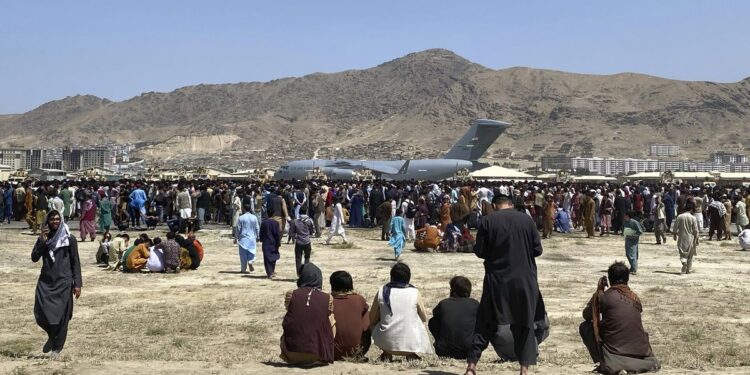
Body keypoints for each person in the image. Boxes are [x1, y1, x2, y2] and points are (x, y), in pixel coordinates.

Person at [465, 195, 545, 375]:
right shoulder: (526, 220)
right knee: (523, 324)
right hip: (524, 280)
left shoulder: (487, 221)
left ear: (494, 205)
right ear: (511, 204)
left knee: (485, 322)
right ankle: (524, 369)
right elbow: (537, 250)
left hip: (497, 280)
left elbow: (480, 251)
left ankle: (472, 366)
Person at [580, 262, 660, 375]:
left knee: (585, 326)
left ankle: (604, 362)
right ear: (627, 279)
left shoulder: (605, 296)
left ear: (610, 279)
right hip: (641, 350)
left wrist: (598, 292)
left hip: (615, 350)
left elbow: (587, 315)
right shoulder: (634, 297)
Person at [31, 210, 82, 358]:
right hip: (46, 281)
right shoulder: (44, 238)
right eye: (52, 219)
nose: (54, 221)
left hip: (64, 282)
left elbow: (75, 262)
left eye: (57, 219)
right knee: (40, 312)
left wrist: (77, 283)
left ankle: (57, 348)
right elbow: (34, 257)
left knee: (62, 316)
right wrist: (42, 241)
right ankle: (51, 335)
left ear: (61, 220)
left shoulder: (69, 239)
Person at [370, 263, 433, 361]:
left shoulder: (382, 291)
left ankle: (386, 353)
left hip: (385, 343)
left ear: (391, 276)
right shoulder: (414, 292)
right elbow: (424, 318)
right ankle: (411, 354)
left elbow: (372, 319)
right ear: (408, 277)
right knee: (418, 321)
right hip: (410, 345)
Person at [280, 263, 335, 365]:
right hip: (317, 354)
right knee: (330, 317)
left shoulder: (291, 294)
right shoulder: (327, 298)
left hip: (291, 352)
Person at [429, 276, 479, 359]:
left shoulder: (443, 303)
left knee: (433, 321)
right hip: (470, 350)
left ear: (453, 291)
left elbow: (434, 317)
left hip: (443, 350)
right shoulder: (475, 304)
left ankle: (441, 343)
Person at [330, 271, 371, 360]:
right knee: (366, 314)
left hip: (331, 352)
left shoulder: (328, 301)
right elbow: (366, 325)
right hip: (357, 352)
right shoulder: (359, 299)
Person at [673, 202, 700, 274]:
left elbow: (675, 227)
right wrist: (697, 238)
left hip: (681, 237)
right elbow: (695, 230)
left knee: (682, 253)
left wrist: (674, 235)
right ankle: (688, 269)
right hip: (690, 238)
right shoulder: (693, 218)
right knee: (690, 255)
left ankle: (683, 263)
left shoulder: (680, 216)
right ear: (691, 209)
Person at [288, 206, 314, 275]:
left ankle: (299, 274)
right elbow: (312, 231)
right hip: (307, 242)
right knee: (307, 258)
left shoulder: (295, 222)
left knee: (298, 258)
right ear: (306, 212)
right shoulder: (309, 221)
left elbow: (291, 233)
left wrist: (296, 236)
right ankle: (306, 273)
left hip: (299, 242)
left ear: (299, 212)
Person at [234, 202, 260, 273]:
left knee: (243, 255)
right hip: (252, 238)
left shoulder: (241, 218)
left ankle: (243, 269)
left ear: (244, 209)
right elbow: (257, 228)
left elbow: (238, 229)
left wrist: (235, 238)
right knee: (252, 252)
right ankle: (251, 261)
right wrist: (258, 236)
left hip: (243, 239)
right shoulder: (254, 217)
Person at [259, 207, 282, 278]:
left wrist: (261, 239)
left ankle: (269, 272)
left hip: (266, 242)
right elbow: (277, 234)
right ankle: (272, 271)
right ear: (273, 214)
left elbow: (261, 233)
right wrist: (278, 242)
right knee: (273, 256)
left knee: (266, 258)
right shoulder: (276, 223)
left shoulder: (264, 222)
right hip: (274, 242)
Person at [622, 211, 643, 275]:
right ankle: (632, 267)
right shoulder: (625, 222)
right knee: (628, 254)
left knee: (632, 254)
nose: (624, 217)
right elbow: (623, 229)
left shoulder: (634, 222)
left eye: (625, 215)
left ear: (628, 216)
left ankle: (634, 269)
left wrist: (633, 235)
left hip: (633, 240)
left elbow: (640, 231)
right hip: (627, 239)